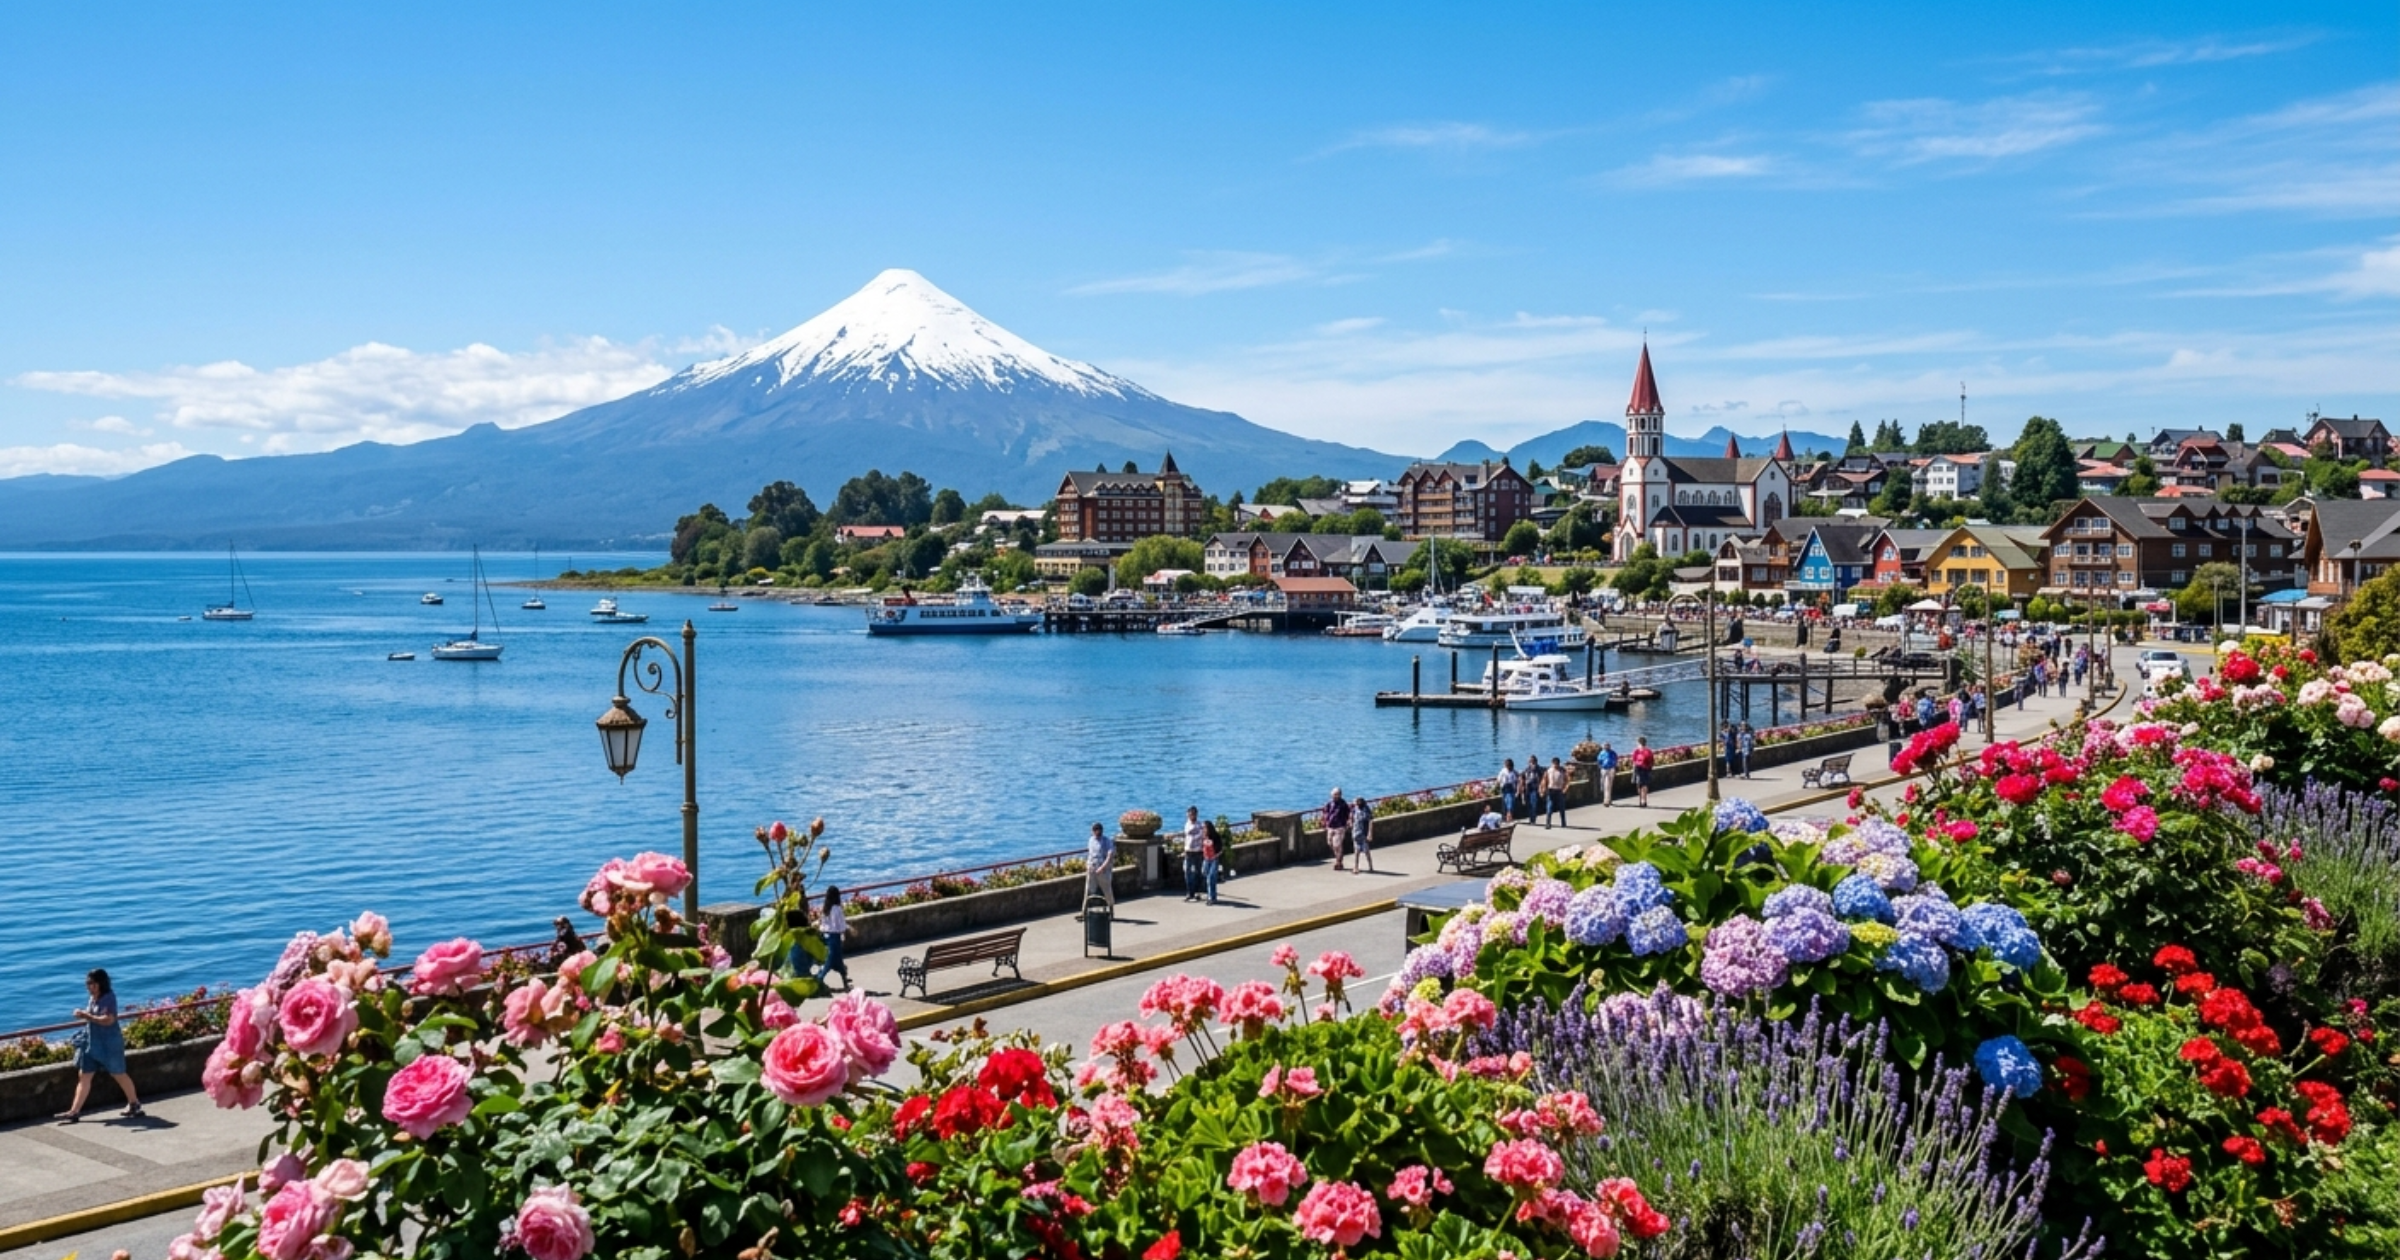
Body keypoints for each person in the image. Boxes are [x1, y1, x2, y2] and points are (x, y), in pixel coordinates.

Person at [58, 968, 141, 1121]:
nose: (89, 987)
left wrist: (86, 1015)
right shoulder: (93, 998)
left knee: (118, 1073)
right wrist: (85, 1015)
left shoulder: (109, 998)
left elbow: (108, 1020)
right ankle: (74, 1111)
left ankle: (134, 1103)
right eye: (87, 983)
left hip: (109, 1043)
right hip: (91, 1042)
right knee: (84, 1075)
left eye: (92, 983)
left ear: (100, 983)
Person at [813, 887, 850, 990]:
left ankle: (845, 984)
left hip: (825, 936)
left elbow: (821, 923)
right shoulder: (837, 909)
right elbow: (840, 925)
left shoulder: (825, 908)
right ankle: (818, 981)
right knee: (830, 962)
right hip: (834, 937)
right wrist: (847, 930)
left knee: (834, 961)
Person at [1083, 823, 1116, 917]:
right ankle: (1084, 912)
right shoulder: (1091, 840)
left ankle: (1111, 911)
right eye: (1094, 830)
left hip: (1103, 870)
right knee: (1088, 891)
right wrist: (1088, 865)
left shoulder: (1106, 841)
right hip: (1092, 868)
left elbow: (1109, 856)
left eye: (1097, 830)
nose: (1095, 832)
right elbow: (1090, 854)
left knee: (1107, 891)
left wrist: (1102, 868)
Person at [1323, 788, 1352, 872]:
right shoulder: (1329, 803)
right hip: (1330, 827)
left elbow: (1349, 813)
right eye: (1334, 794)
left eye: (1337, 794)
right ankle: (1339, 859)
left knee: (1337, 845)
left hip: (1340, 827)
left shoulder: (1343, 804)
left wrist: (1348, 822)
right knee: (1330, 843)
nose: (1336, 796)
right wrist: (1326, 822)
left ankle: (1338, 862)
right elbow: (1325, 813)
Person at [1180, 806, 1205, 902]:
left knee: (1198, 872)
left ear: (1196, 814)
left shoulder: (1200, 825)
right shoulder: (1187, 824)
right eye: (1189, 814)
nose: (1190, 816)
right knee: (1187, 872)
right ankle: (1190, 893)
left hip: (1198, 851)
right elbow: (1186, 837)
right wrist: (1185, 848)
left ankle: (1198, 892)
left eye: (1192, 814)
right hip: (1188, 851)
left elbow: (1200, 836)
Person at [1350, 795, 1375, 873]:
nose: (1355, 803)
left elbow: (1370, 821)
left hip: (1364, 833)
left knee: (1366, 851)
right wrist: (1351, 824)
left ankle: (1371, 867)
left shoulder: (1366, 809)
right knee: (1356, 851)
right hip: (1356, 833)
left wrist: (1370, 833)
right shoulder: (1354, 809)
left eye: (1357, 802)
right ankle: (1356, 867)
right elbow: (1351, 818)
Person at [1200, 819, 1224, 904]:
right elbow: (1202, 847)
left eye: (1204, 827)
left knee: (1210, 878)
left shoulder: (1215, 836)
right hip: (1206, 859)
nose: (1203, 829)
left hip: (1213, 859)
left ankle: (1211, 898)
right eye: (1203, 828)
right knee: (1207, 876)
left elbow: (1221, 849)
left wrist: (1215, 856)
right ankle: (1213, 896)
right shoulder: (1203, 836)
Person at [1543, 757, 1568, 827]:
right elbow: (1545, 779)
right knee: (1549, 807)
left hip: (1559, 790)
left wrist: (1565, 789)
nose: (1555, 765)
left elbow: (1567, 780)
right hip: (1551, 790)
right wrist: (1544, 789)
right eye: (1554, 764)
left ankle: (1563, 822)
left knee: (1561, 807)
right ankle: (1548, 823)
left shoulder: (1562, 770)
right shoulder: (1549, 770)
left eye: (1557, 764)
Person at [1631, 737, 1655, 807]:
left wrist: (1634, 771)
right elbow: (1652, 761)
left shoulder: (1637, 751)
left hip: (1640, 770)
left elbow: (1634, 761)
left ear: (1638, 743)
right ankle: (1644, 800)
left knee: (1640, 785)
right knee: (1644, 785)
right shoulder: (1648, 751)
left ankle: (1642, 800)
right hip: (1645, 769)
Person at [1595, 742, 1619, 806]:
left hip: (1611, 769)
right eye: (1605, 746)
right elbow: (1599, 761)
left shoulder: (1613, 753)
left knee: (1608, 785)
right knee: (1605, 785)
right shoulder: (1601, 753)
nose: (1606, 747)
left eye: (1607, 745)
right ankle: (1608, 799)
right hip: (1604, 769)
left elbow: (1616, 760)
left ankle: (1606, 800)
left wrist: (1613, 766)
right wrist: (1601, 767)